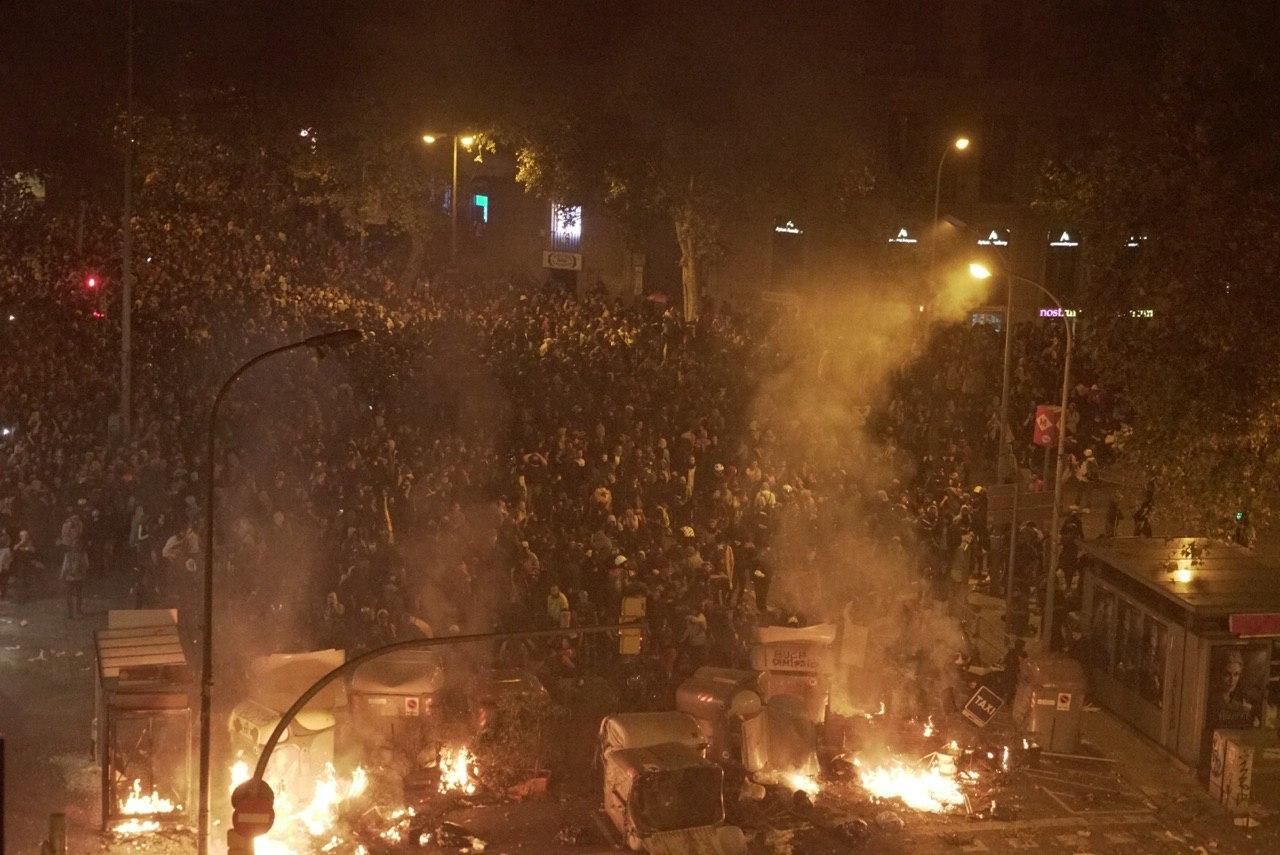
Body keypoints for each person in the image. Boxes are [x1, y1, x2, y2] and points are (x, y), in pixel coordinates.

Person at [60, 538, 89, 619]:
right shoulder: (82, 554)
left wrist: (62, 575)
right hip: (77, 577)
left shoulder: (68, 554)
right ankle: (77, 610)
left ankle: (71, 612)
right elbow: (86, 565)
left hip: (71, 577)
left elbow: (64, 566)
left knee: (70, 595)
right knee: (77, 594)